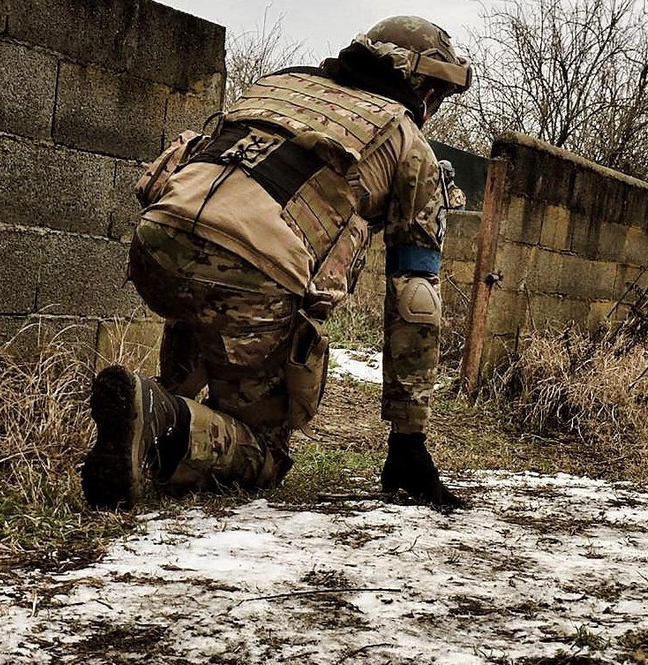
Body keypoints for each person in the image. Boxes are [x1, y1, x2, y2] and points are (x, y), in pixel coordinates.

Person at [81, 15, 472, 512]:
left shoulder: (277, 84)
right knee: (264, 452)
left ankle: (162, 401)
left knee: (205, 281)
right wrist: (407, 441)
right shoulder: (405, 140)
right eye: (437, 94)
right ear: (422, 86)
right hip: (250, 278)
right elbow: (416, 298)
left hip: (156, 245)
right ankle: (158, 416)